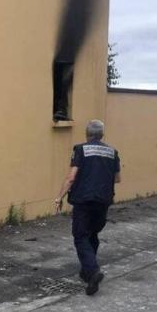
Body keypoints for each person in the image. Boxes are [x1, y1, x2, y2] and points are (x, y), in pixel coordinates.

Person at [54, 119, 121, 296]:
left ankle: (93, 271)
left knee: (80, 236)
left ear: (87, 134)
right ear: (102, 135)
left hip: (83, 200)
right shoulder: (113, 152)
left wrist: (59, 196)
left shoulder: (80, 149)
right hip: (103, 201)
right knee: (92, 234)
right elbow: (117, 179)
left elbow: (71, 177)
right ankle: (86, 272)